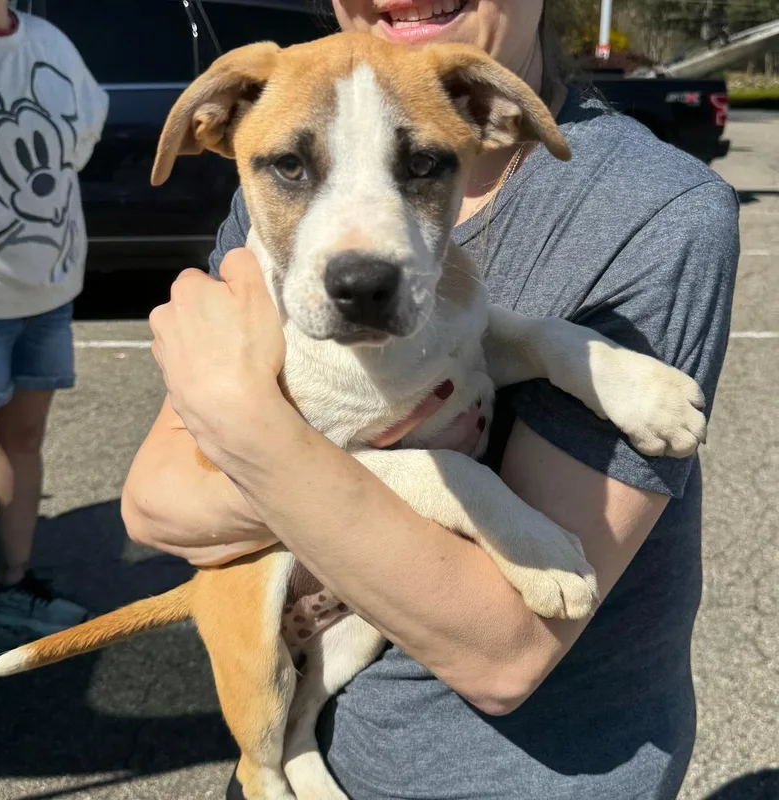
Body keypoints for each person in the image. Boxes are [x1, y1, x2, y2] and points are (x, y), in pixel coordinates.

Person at [124, 0, 740, 797]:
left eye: (419, 166)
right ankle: (283, 758)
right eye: (292, 170)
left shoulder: (650, 211)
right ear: (217, 129)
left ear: (492, 117)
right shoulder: (268, 159)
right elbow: (153, 508)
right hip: (316, 687)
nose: (355, 257)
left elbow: (507, 653)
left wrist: (254, 432)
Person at [0, 0, 108, 635]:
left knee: (23, 441)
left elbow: (80, 137)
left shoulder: (49, 42)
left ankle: (11, 583)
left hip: (48, 293)